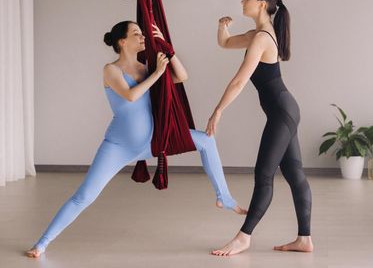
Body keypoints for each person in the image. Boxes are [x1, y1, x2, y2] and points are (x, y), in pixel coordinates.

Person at [26, 21, 246, 258]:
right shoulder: (110, 70)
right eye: (136, 34)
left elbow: (182, 76)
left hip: (152, 142)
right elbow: (131, 96)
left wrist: (166, 47)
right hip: (118, 147)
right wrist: (158, 74)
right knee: (84, 197)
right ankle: (42, 243)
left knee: (206, 141)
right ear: (122, 41)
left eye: (143, 34)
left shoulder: (147, 67)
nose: (142, 37)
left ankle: (223, 196)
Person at [206, 0, 313, 256]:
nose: (243, 1)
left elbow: (240, 80)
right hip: (285, 110)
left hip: (282, 112)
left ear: (262, 4)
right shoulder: (258, 34)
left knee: (264, 175)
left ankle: (244, 237)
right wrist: (222, 25)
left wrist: (218, 110)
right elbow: (226, 42)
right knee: (294, 174)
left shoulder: (263, 38)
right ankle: (304, 240)